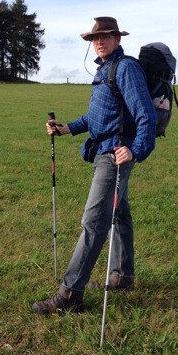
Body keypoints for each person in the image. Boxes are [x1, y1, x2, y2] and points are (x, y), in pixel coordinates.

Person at [32, 16, 157, 315]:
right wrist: (67, 128)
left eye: (106, 36)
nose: (99, 42)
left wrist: (136, 150)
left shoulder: (125, 68)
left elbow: (146, 114)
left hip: (115, 155)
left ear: (117, 39)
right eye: (95, 38)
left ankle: (70, 294)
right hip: (103, 149)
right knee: (119, 214)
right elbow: (96, 116)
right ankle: (123, 276)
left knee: (94, 220)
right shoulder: (105, 70)